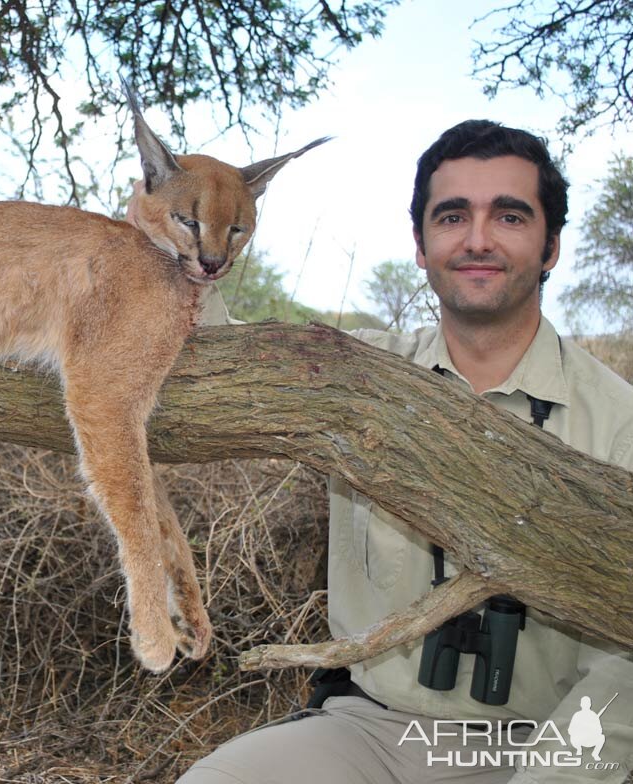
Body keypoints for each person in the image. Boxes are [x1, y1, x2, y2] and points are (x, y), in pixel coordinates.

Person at [179, 120, 633, 783]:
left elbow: (622, 671)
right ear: (420, 245)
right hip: (370, 732)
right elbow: (213, 351)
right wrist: (187, 217)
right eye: (452, 216)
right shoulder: (356, 371)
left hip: (547, 742)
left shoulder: (619, 422)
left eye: (509, 215)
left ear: (552, 246)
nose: (477, 239)